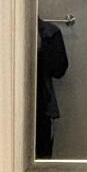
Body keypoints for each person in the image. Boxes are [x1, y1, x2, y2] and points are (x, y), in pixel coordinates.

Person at [35, 16, 68, 159]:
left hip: (42, 105)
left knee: (41, 158)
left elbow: (59, 70)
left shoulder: (49, 32)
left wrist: (43, 45)